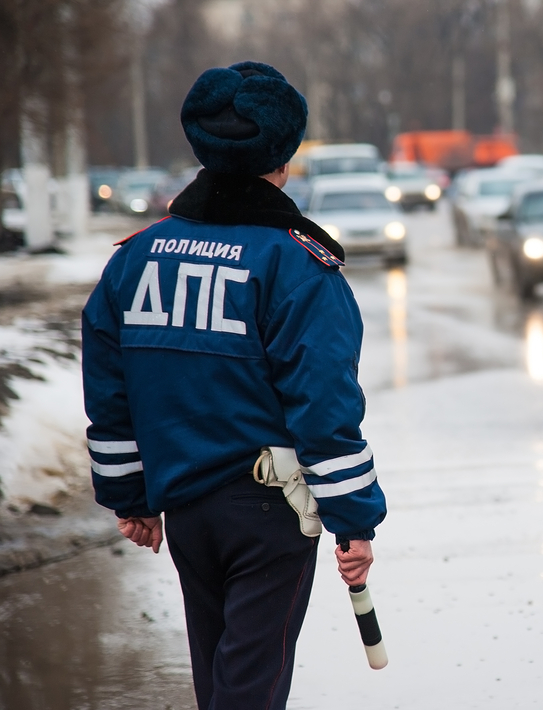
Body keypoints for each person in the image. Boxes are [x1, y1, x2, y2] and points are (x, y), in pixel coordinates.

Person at [81, 61, 386, 709]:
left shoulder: (136, 257)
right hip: (267, 515)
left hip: (187, 509)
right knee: (249, 690)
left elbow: (110, 388)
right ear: (283, 152)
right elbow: (324, 406)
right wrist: (354, 520)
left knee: (219, 680)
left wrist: (129, 495)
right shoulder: (297, 263)